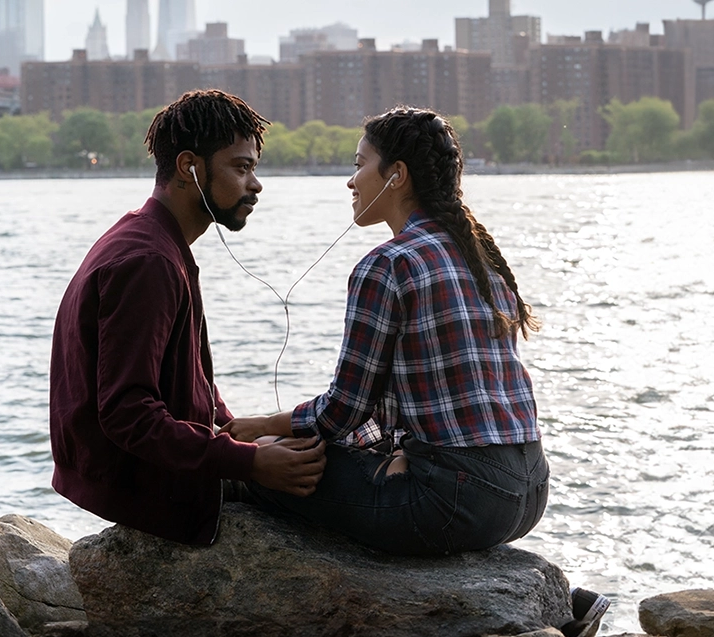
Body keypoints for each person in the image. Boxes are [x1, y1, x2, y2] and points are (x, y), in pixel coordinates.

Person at [223, 106, 550, 557]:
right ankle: (561, 608)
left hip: (454, 500)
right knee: (298, 451)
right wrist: (401, 454)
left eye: (359, 165)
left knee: (265, 469)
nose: (351, 181)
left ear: (396, 175)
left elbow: (343, 411)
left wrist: (261, 429)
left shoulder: (389, 263)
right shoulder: (480, 256)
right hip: (530, 489)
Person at [49, 90, 326, 546]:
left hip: (158, 469)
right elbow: (126, 413)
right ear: (189, 168)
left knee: (306, 449)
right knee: (343, 475)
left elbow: (186, 376)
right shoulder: (147, 261)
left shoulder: (153, 238)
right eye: (241, 167)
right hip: (149, 488)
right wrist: (248, 464)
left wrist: (238, 436)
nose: (255, 184)